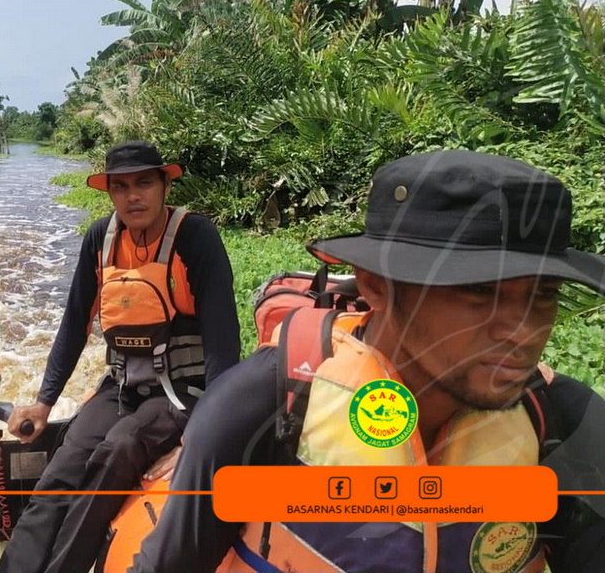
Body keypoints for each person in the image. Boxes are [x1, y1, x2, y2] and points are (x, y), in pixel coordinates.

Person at [129, 149, 605, 572]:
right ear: (375, 285)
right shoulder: (263, 403)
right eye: (479, 291)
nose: (523, 330)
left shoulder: (563, 419)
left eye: (544, 295)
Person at [0, 141, 241, 573]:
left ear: (165, 185)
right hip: (123, 385)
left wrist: (203, 436)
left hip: (185, 393)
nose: (133, 196)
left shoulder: (194, 236)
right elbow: (74, 324)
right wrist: (44, 400)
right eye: (120, 186)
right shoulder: (100, 238)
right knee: (62, 469)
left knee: (119, 449)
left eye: (144, 183)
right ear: (109, 192)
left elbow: (224, 342)